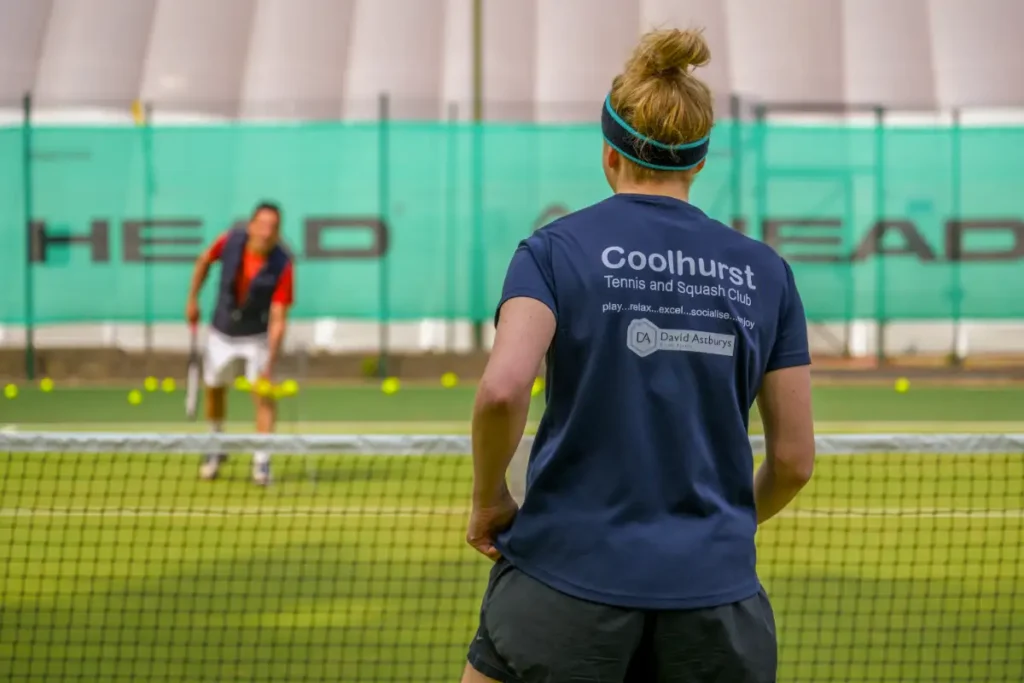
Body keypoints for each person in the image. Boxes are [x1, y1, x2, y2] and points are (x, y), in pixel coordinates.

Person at [462, 28, 815, 683]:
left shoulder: (552, 252)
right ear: (700, 161)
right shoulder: (766, 272)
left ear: (608, 152)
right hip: (717, 600)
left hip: (561, 581)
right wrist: (718, 528)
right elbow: (793, 461)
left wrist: (488, 497)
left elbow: (503, 388)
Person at [185, 201, 294, 486]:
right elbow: (204, 261)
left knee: (263, 395)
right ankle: (215, 446)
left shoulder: (283, 263)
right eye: (262, 225)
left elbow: (280, 316)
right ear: (251, 225)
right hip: (222, 331)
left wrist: (271, 360)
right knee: (215, 390)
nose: (266, 232)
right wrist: (192, 299)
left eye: (273, 227)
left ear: (278, 231)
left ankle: (262, 462)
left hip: (256, 336)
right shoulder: (229, 240)